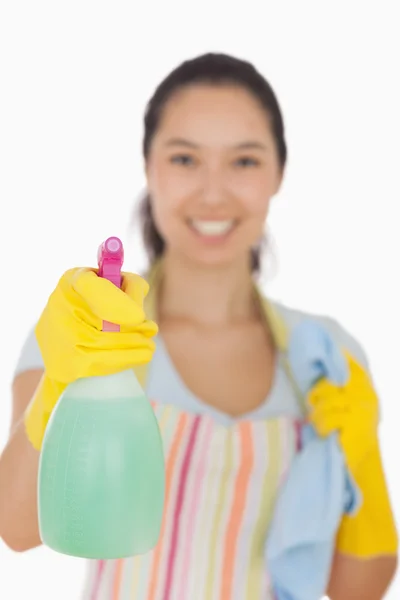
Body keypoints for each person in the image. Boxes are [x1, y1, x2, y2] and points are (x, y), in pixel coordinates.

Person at [0, 52, 397, 600]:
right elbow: (17, 531)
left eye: (244, 162)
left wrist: (362, 455)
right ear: (149, 167)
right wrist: (60, 388)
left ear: (279, 173)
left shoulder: (326, 356)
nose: (213, 193)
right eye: (185, 159)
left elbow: (360, 590)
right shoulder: (88, 333)